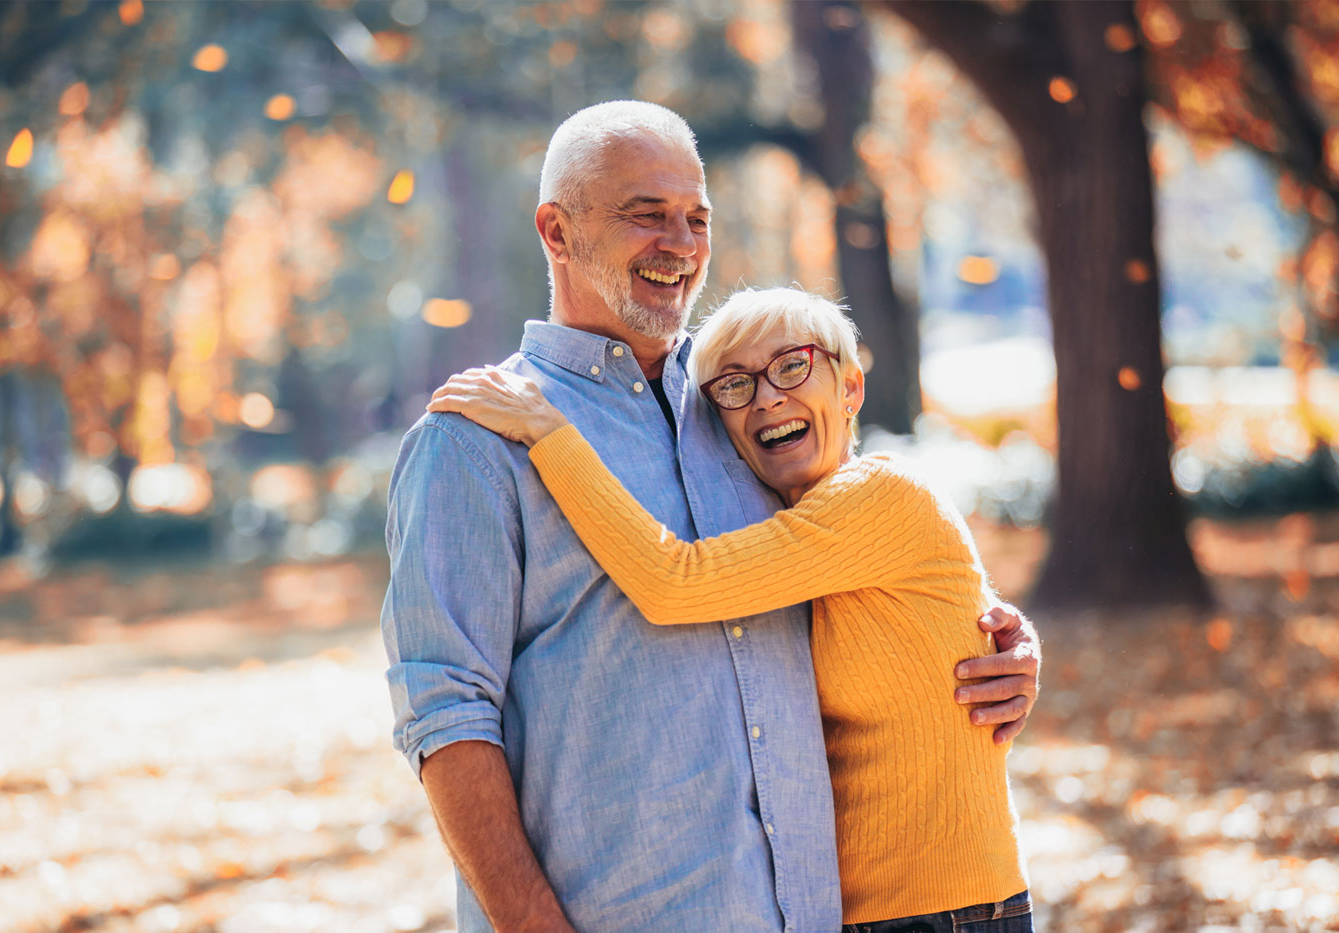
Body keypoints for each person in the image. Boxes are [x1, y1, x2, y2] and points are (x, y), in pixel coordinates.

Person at [382, 100, 1041, 933]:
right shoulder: (475, 438)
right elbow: (446, 714)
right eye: (645, 215)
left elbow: (866, 569)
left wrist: (995, 646)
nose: (682, 245)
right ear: (556, 230)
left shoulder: (748, 405)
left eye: (696, 218)